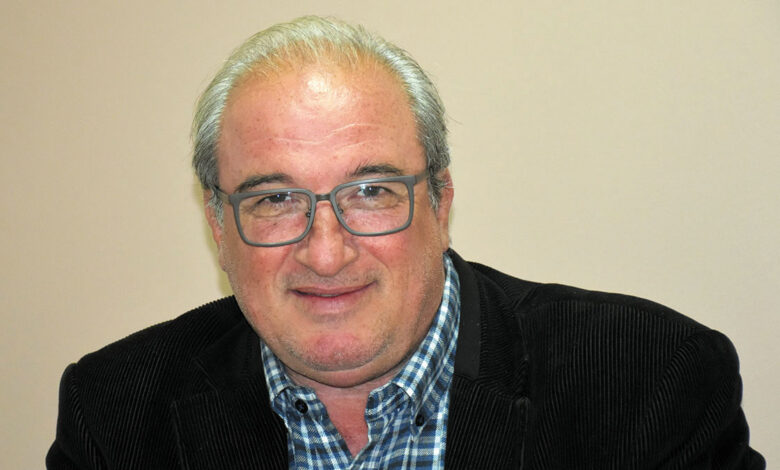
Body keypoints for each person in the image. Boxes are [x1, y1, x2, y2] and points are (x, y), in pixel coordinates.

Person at [47, 16, 764, 469]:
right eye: (275, 200)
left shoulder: (647, 380)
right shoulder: (114, 413)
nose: (326, 254)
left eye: (371, 191)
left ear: (441, 202)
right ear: (218, 225)